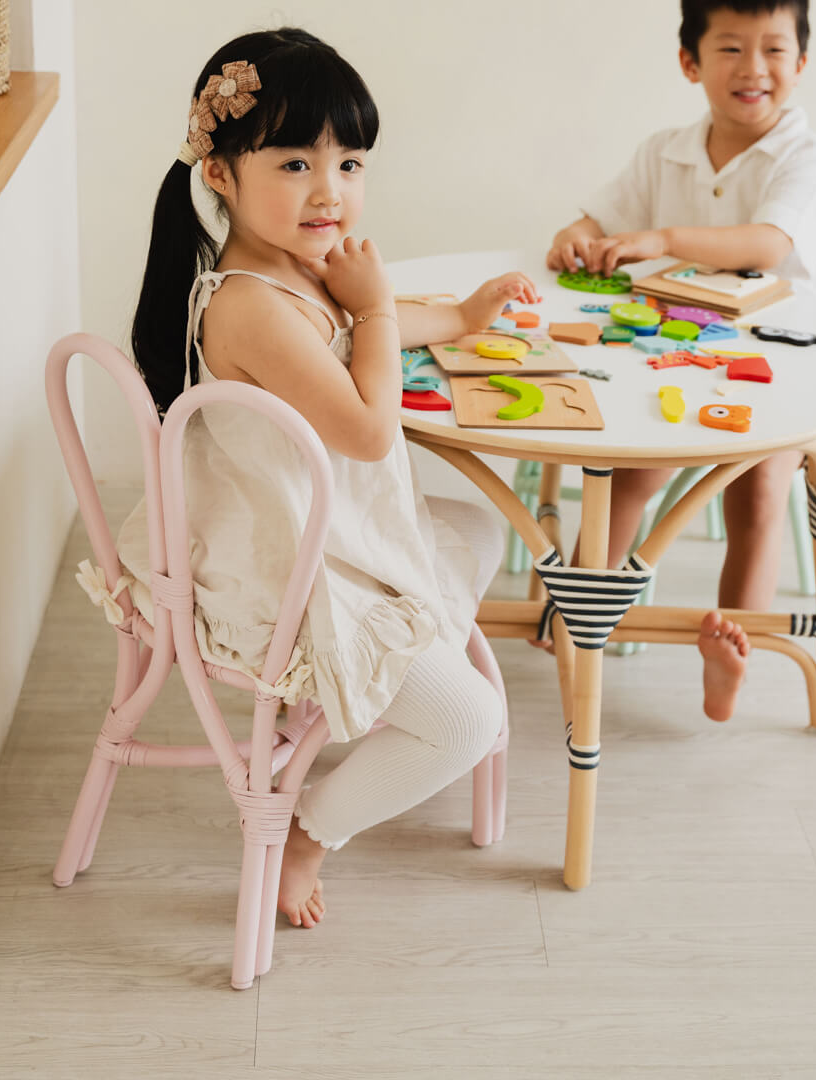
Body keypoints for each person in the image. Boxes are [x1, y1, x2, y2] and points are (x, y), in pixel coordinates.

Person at [117, 28, 540, 928]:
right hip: (291, 576)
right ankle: (305, 831)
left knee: (477, 530)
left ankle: (387, 689)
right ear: (222, 173)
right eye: (296, 163)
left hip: (322, 530)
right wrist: (382, 306)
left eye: (349, 163)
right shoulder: (247, 305)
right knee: (471, 725)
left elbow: (348, 320)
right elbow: (364, 425)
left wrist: (458, 316)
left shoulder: (288, 268)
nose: (330, 191)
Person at [543, 0, 816, 724]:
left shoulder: (806, 154)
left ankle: (733, 645)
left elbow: (767, 244)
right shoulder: (664, 150)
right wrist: (576, 236)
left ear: (800, 64)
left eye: (773, 49)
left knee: (759, 492)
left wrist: (660, 237)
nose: (753, 68)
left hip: (777, 367)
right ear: (690, 63)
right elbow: (599, 216)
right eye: (730, 48)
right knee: (633, 468)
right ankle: (581, 611)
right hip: (668, 359)